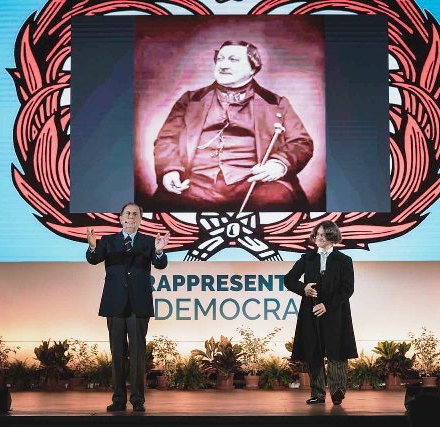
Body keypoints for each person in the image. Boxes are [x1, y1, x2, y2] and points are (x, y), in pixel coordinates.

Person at [151, 40, 315, 211]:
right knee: (165, 205)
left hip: (255, 184)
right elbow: (167, 139)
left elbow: (301, 142)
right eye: (220, 59)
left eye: (233, 60)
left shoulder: (276, 103)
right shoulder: (191, 100)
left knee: (277, 201)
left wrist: (279, 164)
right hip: (195, 184)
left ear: (253, 68)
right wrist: (170, 170)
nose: (223, 65)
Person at [86, 203, 169, 412]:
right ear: (120, 218)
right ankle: (118, 399)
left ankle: (138, 399)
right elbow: (94, 259)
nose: (131, 217)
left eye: (135, 214)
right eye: (127, 214)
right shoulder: (108, 241)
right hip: (115, 304)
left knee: (138, 355)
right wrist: (93, 247)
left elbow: (160, 264)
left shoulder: (149, 242)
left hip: (138, 305)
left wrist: (159, 252)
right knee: (117, 355)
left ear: (140, 219)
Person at [284, 220, 357, 405]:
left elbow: (347, 289)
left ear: (332, 237)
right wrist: (303, 288)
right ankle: (317, 393)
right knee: (313, 351)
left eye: (323, 235)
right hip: (311, 313)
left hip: (336, 313)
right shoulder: (307, 258)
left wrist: (327, 305)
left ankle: (337, 391)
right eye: (317, 234)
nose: (318, 238)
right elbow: (289, 279)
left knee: (337, 352)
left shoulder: (344, 260)